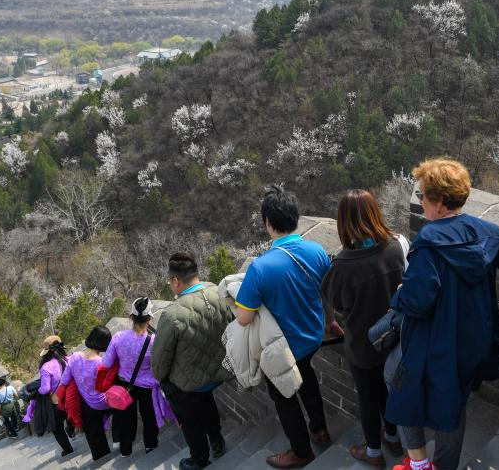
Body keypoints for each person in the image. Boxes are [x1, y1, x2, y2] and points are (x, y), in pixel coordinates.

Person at [387, 158, 499, 470]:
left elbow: (420, 300)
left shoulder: (428, 244)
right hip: (477, 335)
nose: (420, 202)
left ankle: (421, 465)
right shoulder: (488, 232)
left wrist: (399, 295)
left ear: (438, 201)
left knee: (399, 382)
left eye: (421, 196)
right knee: (455, 401)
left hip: (437, 339)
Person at [235, 185, 333, 469]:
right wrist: (332, 321)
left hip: (284, 347)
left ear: (267, 223)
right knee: (308, 378)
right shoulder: (317, 251)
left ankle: (301, 451)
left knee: (284, 394)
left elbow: (243, 319)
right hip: (314, 336)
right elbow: (326, 292)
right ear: (296, 217)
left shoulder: (260, 268)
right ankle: (320, 429)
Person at [321, 190, 407, 468]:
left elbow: (334, 301)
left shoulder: (342, 266)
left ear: (343, 221)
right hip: (394, 336)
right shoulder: (395, 247)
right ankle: (392, 436)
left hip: (362, 345)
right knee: (392, 389)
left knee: (368, 398)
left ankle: (373, 452)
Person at [151, 252, 232, 470]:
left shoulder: (172, 315)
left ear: (176, 281)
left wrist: (162, 380)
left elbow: (159, 362)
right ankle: (217, 441)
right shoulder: (218, 292)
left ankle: (199, 459)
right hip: (215, 372)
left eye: (170, 281)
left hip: (187, 382)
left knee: (190, 421)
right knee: (207, 404)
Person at [103, 297, 160, 457]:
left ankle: (126, 450)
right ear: (150, 318)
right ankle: (150, 444)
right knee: (149, 415)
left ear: (131, 317)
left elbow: (107, 363)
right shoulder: (155, 340)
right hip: (148, 386)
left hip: (124, 385)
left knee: (126, 419)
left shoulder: (118, 337)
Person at [59, 326, 113, 461]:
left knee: (93, 434)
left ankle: (100, 457)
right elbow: (106, 386)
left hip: (85, 404)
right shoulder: (102, 363)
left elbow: (64, 380)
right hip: (102, 403)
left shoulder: (74, 357)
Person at [36, 335, 74, 456]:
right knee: (71, 417)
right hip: (71, 399)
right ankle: (71, 430)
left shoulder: (46, 367)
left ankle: (68, 449)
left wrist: (38, 391)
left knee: (57, 429)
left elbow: (45, 389)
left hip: (57, 404)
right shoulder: (69, 360)